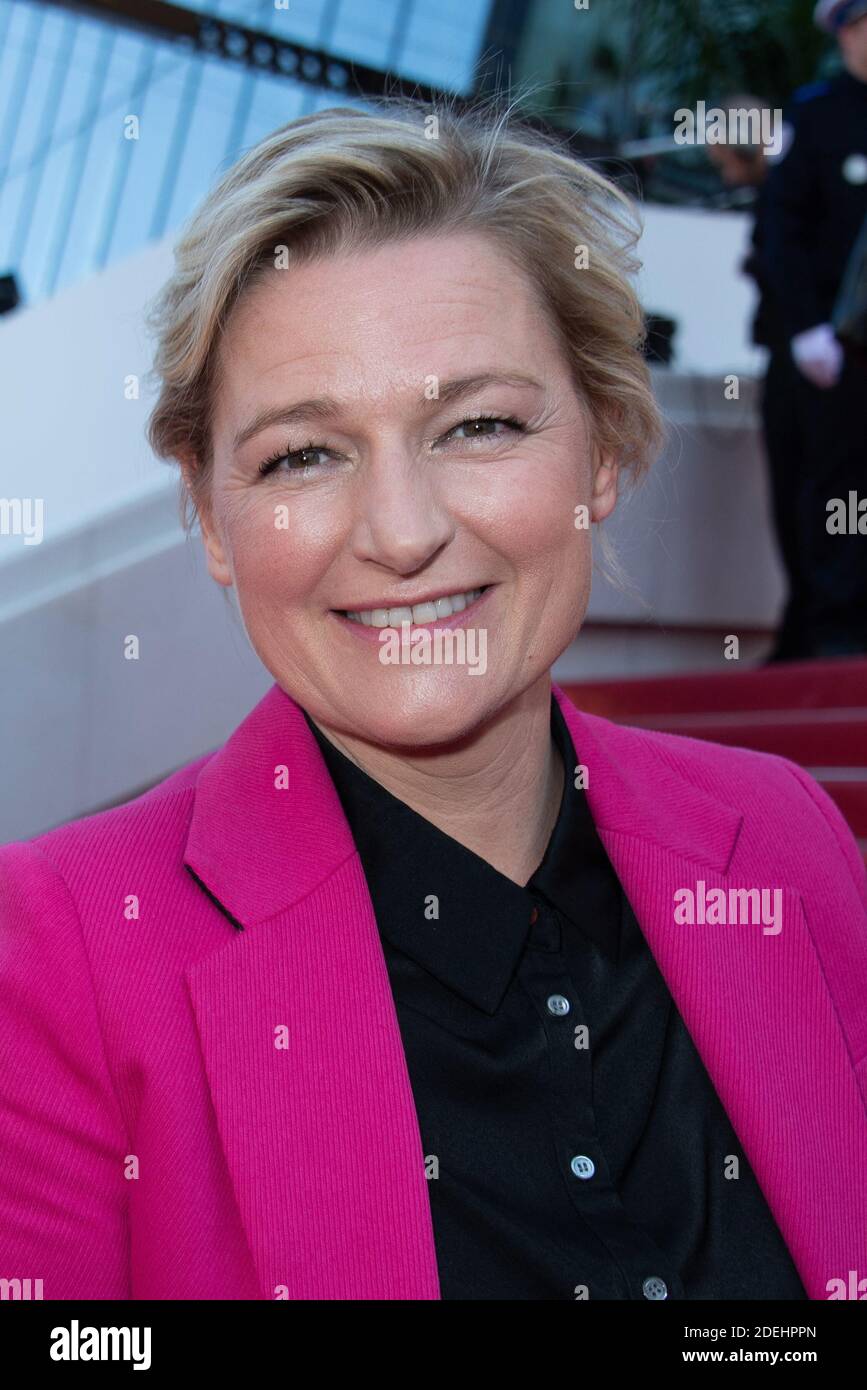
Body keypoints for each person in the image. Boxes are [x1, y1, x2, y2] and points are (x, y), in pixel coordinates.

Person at [1, 97, 866, 1302]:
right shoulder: (61, 959)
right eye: (305, 453)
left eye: (480, 425)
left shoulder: (782, 836)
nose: (403, 533)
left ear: (605, 445)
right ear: (209, 514)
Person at [761, 0, 867, 656]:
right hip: (833, 352)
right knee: (825, 491)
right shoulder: (816, 112)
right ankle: (827, 634)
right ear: (845, 30)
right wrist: (805, 330)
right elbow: (779, 229)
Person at [706, 99, 807, 661]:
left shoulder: (795, 188)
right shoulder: (782, 192)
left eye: (724, 159)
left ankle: (813, 636)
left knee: (808, 506)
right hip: (787, 358)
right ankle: (802, 631)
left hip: (807, 367)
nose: (723, 174)